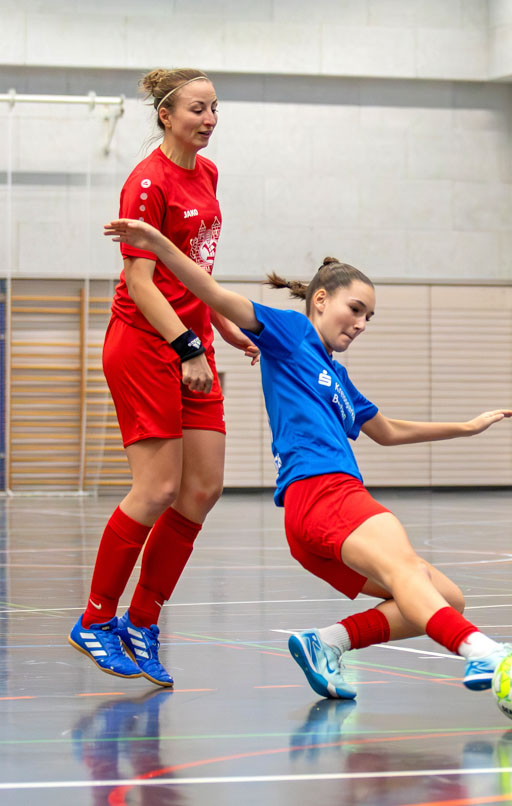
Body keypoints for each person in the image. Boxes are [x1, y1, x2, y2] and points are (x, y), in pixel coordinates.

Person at [103, 219, 512, 700]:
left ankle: (326, 644)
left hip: (316, 516)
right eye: (355, 309)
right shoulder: (292, 332)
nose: (361, 323)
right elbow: (216, 295)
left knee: (447, 597)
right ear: (321, 300)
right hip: (323, 491)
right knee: (407, 571)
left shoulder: (337, 377)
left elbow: (386, 430)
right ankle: (481, 651)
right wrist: (159, 246)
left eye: (369, 317)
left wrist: (465, 427)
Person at [69, 68, 258, 687]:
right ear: (165, 115)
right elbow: (140, 282)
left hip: (191, 339)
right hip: (147, 346)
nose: (209, 119)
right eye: (197, 110)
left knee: (202, 488)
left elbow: (194, 265)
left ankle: (142, 622)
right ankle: (96, 619)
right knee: (156, 489)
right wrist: (186, 346)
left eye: (214, 109)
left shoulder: (208, 175)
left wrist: (221, 324)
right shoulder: (146, 183)